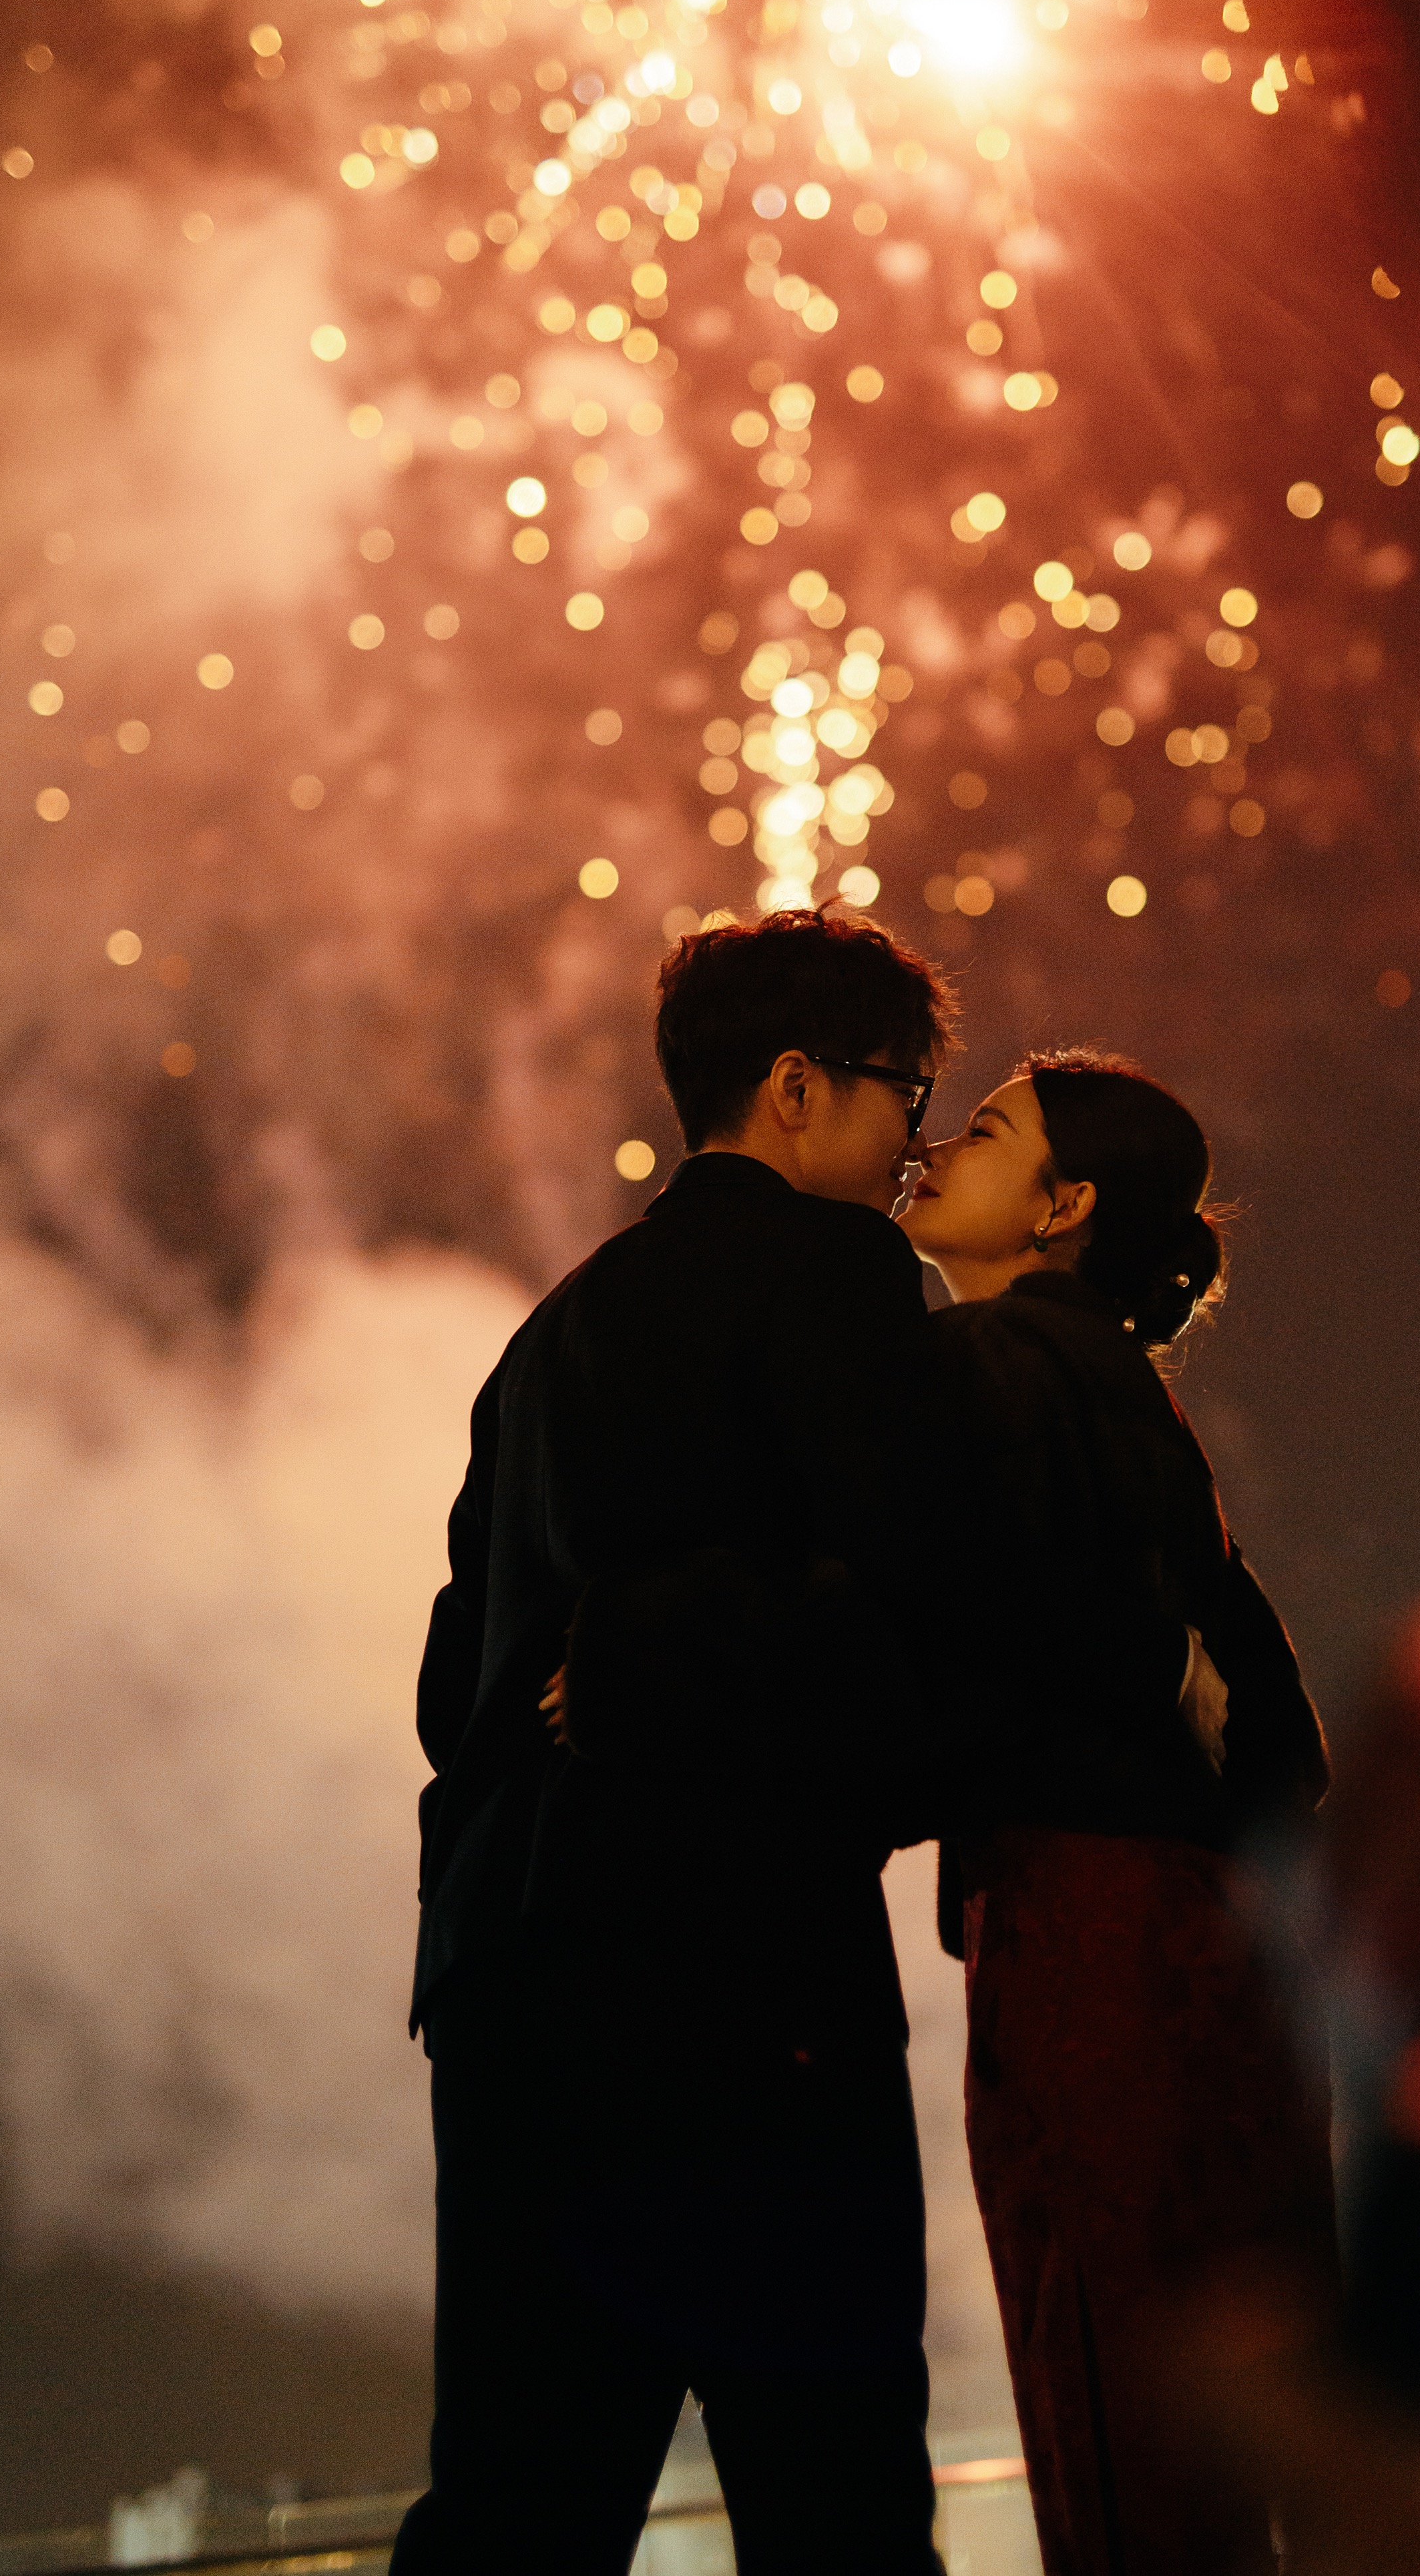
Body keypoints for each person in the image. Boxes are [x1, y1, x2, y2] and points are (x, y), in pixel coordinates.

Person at [391, 909, 957, 2576]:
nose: (915, 1148)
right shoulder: (838, 1274)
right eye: (906, 1094)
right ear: (796, 1087)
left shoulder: (544, 1338)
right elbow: (918, 1596)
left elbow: (451, 1691)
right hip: (740, 1977)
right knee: (835, 2497)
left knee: (515, 2507)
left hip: (505, 1981)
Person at [903, 1049, 1333, 2576]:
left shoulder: (991, 1359)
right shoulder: (1128, 1396)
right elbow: (1279, 1734)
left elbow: (956, 1615)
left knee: (1106, 2389)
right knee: (1222, 2412)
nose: (936, 1146)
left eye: (987, 1131)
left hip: (1084, 1931)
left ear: (1063, 1204)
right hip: (1208, 1942)